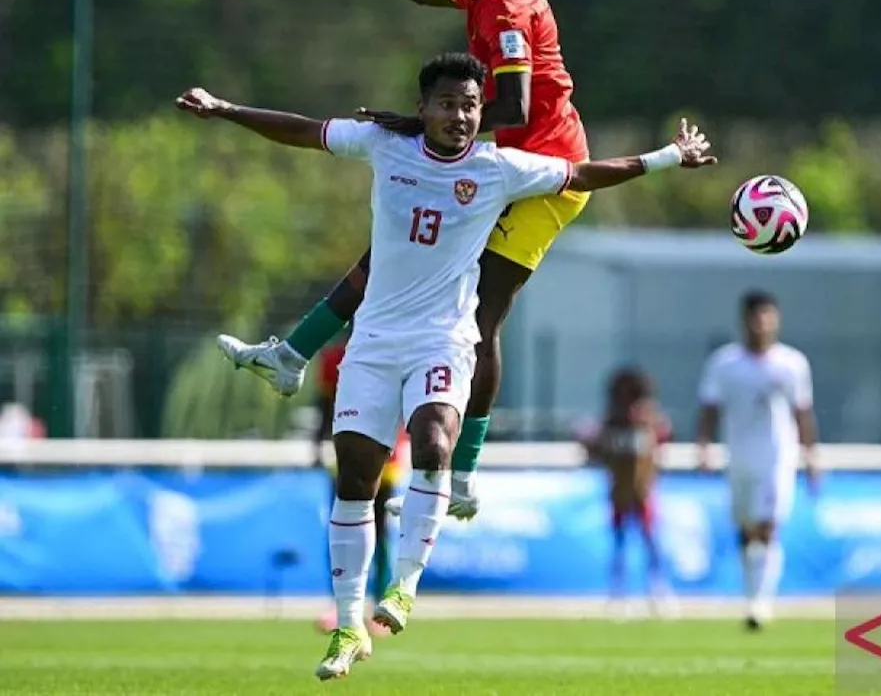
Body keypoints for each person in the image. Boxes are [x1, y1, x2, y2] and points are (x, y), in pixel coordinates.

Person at [174, 52, 715, 679]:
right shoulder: (384, 145)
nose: (459, 116)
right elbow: (300, 129)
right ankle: (349, 626)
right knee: (355, 477)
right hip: (373, 344)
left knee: (433, 439)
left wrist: (668, 157)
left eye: (470, 106)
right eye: (448, 104)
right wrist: (224, 109)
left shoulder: (500, 168)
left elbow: (586, 172)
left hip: (445, 340)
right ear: (423, 108)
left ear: (481, 113)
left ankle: (403, 586)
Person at [216, 0, 591, 523]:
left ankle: (466, 469)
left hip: (546, 174)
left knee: (482, 311)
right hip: (496, 161)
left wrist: (409, 122)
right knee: (394, 252)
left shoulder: (506, 5)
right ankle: (291, 354)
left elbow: (513, 105)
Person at [696, 291, 818, 631]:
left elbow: (802, 412)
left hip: (778, 458)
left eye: (767, 315)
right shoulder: (725, 363)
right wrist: (703, 446)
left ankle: (761, 604)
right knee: (747, 530)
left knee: (769, 526)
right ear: (744, 320)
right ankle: (751, 598)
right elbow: (709, 407)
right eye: (754, 316)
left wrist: (811, 455)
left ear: (775, 319)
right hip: (739, 457)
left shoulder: (792, 363)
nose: (760, 323)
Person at [311, 335, 409, 637]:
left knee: (378, 533)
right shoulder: (334, 358)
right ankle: (341, 606)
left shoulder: (401, 351)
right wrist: (316, 444)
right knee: (340, 529)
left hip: (387, 456)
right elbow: (326, 406)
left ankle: (381, 604)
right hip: (345, 453)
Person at [580, 367, 674, 617]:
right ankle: (618, 593)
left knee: (651, 541)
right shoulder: (611, 423)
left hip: (644, 492)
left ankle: (658, 591)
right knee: (620, 543)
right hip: (619, 492)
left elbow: (663, 441)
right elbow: (592, 445)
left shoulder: (651, 422)